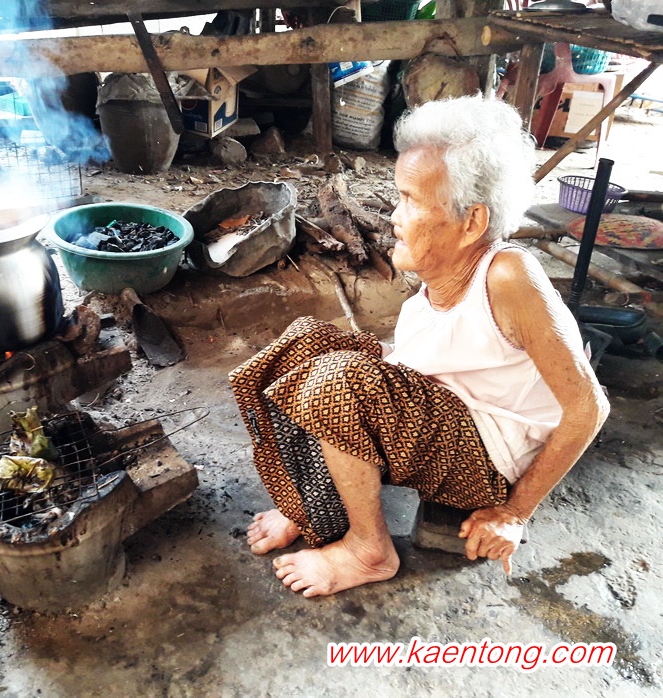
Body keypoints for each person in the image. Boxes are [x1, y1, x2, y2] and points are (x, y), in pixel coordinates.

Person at [229, 95, 609, 598]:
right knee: (304, 344)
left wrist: (515, 512)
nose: (394, 216)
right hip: (444, 422)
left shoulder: (509, 275)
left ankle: (369, 550)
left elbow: (589, 406)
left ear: (472, 222)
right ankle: (308, 507)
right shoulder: (438, 280)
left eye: (411, 200)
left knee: (336, 384)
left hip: (487, 461)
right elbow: (433, 361)